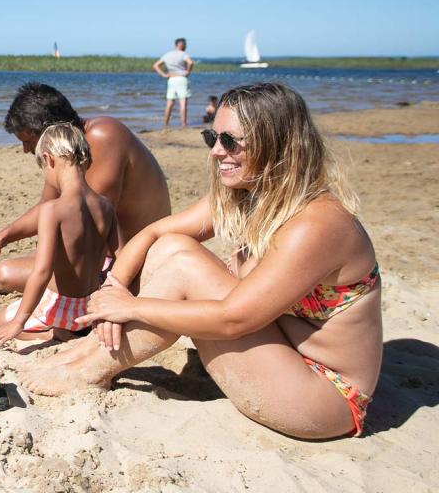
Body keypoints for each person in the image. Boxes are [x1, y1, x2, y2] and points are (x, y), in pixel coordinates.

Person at [21, 83, 382, 440]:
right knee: (172, 247)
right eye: (213, 138)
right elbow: (153, 234)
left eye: (230, 141)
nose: (215, 152)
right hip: (281, 354)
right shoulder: (250, 192)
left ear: (277, 144)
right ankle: (91, 352)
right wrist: (112, 290)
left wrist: (130, 307)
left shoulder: (316, 224)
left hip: (323, 394)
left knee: (182, 267)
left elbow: (233, 318)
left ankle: (91, 368)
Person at [0, 82, 170, 293]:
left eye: (29, 140)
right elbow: (46, 205)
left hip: (137, 256)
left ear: (47, 128)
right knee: (34, 259)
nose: (26, 149)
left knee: (5, 274)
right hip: (109, 250)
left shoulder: (103, 136)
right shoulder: (68, 151)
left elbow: (88, 221)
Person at [0, 123, 116, 348]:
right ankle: (74, 329)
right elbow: (120, 255)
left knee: (1, 319)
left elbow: (42, 270)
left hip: (62, 310)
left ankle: (51, 335)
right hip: (89, 305)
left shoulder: (52, 210)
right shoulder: (105, 206)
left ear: (49, 160)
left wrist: (18, 322)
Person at [153, 38, 194, 128]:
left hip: (171, 79)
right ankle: (183, 124)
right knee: (182, 103)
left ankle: (166, 124)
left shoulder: (167, 54)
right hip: (181, 78)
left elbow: (155, 65)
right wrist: (188, 72)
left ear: (175, 45)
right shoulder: (184, 54)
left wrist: (163, 75)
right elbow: (190, 63)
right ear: (183, 45)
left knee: (169, 103)